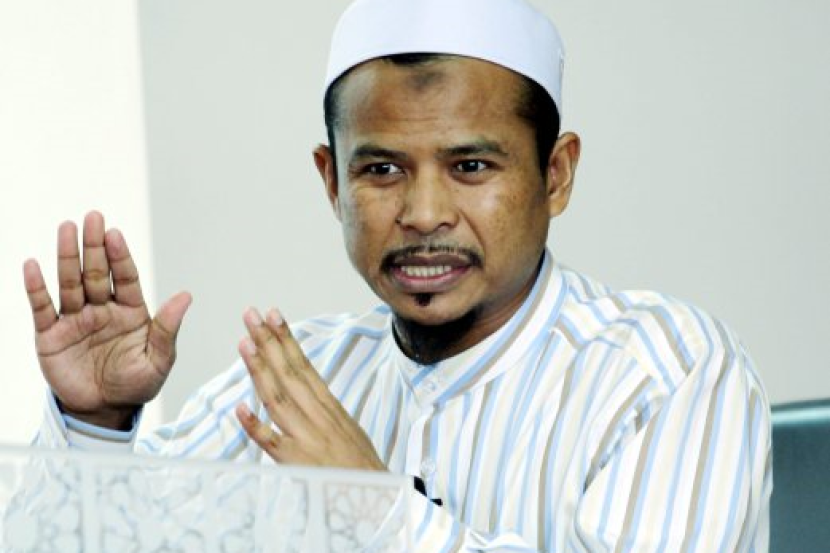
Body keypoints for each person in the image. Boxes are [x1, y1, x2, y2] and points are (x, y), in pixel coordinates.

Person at [22, 0, 771, 550]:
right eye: (381, 170)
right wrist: (94, 427)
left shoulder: (664, 375)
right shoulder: (290, 384)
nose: (423, 213)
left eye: (470, 165)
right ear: (332, 183)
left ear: (556, 174)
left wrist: (377, 513)